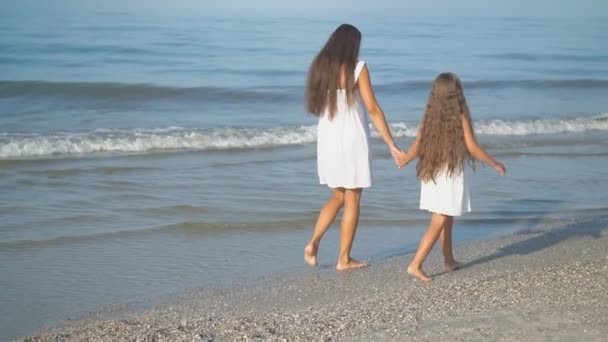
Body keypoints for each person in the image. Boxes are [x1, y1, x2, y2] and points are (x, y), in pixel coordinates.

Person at [303, 23, 401, 271]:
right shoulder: (358, 68)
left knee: (338, 195)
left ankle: (313, 243)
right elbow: (373, 108)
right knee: (353, 198)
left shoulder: (319, 68)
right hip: (352, 138)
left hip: (327, 140)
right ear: (352, 44)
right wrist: (391, 143)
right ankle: (344, 259)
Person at [396, 72, 506, 282]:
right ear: (457, 94)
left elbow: (417, 145)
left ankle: (449, 260)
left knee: (447, 217)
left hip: (433, 171)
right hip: (449, 173)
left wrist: (405, 159)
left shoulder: (429, 114)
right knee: (440, 219)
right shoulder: (460, 114)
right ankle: (416, 264)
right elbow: (472, 147)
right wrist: (494, 163)